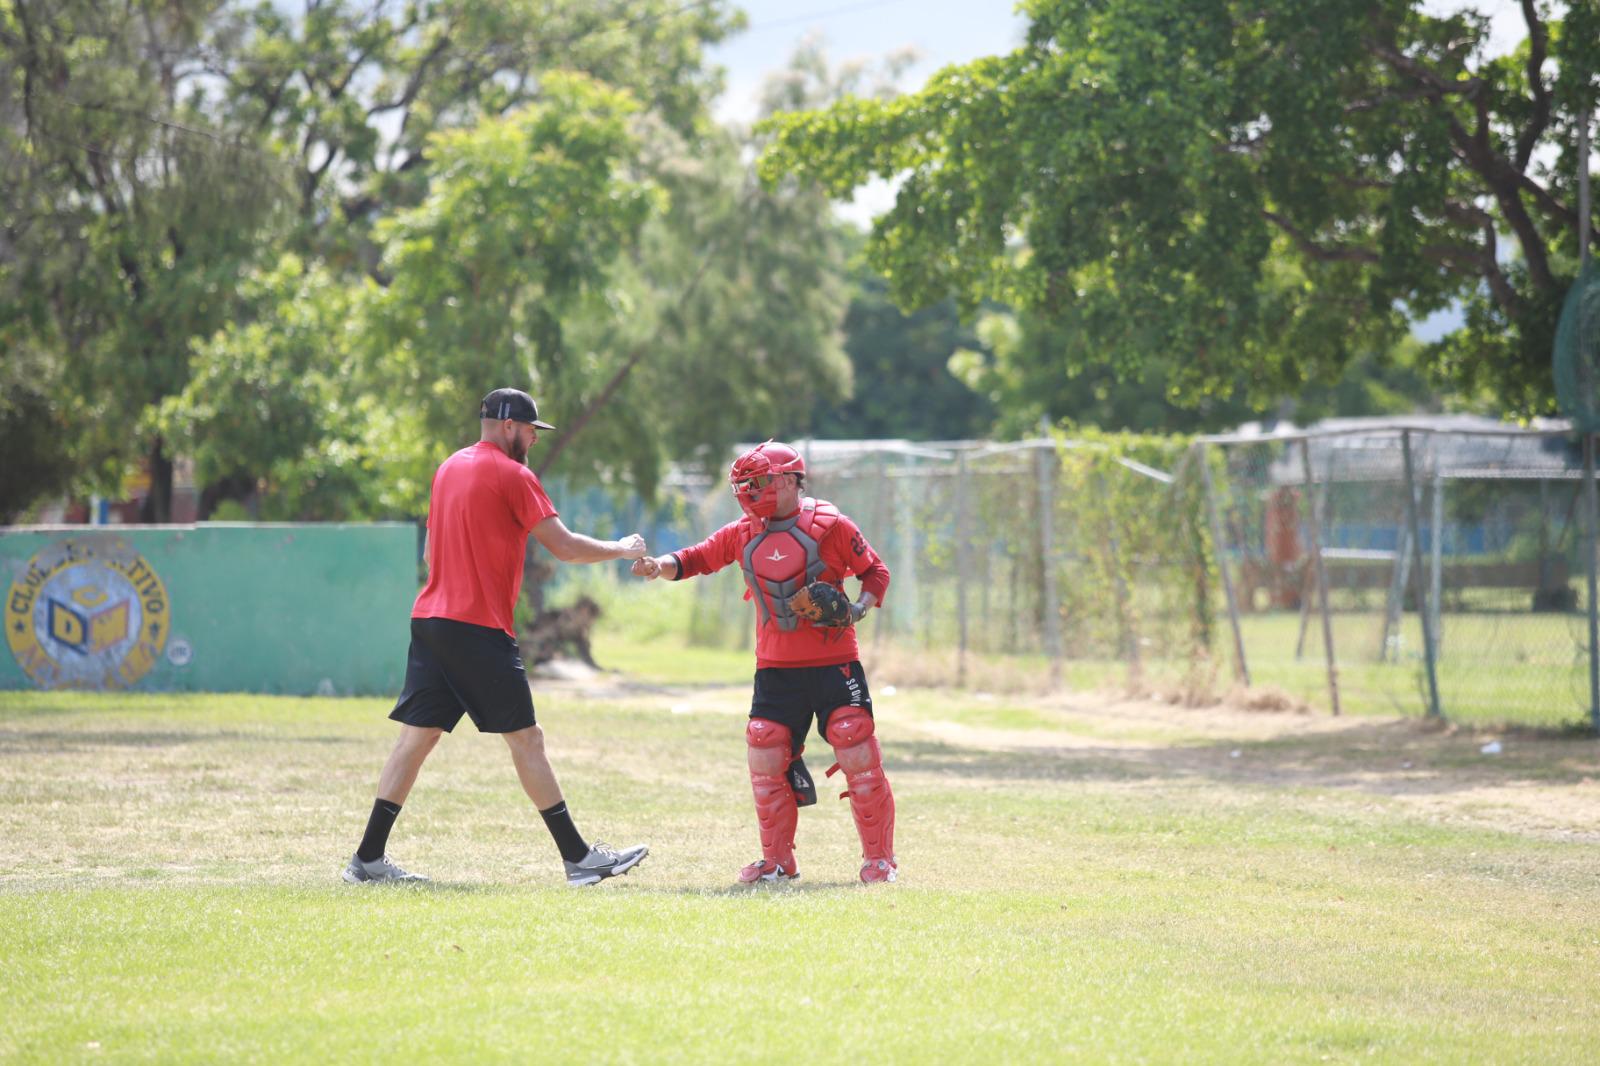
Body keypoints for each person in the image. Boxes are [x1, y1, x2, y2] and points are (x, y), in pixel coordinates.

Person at [343, 387, 650, 888]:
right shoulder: (514, 474)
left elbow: (429, 556)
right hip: (476, 627)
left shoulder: (448, 468)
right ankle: (579, 859)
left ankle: (368, 860)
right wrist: (620, 548)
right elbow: (566, 548)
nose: (533, 437)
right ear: (509, 425)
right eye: (531, 429)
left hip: (431, 621)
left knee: (415, 739)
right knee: (527, 738)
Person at [631, 441, 897, 884]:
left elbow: (876, 572)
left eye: (759, 482)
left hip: (835, 664)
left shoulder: (831, 526)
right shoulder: (743, 531)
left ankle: (880, 860)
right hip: (776, 667)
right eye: (745, 484)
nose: (750, 492)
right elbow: (698, 557)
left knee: (855, 747)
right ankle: (777, 862)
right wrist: (659, 565)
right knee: (766, 750)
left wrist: (858, 608)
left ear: (790, 480)